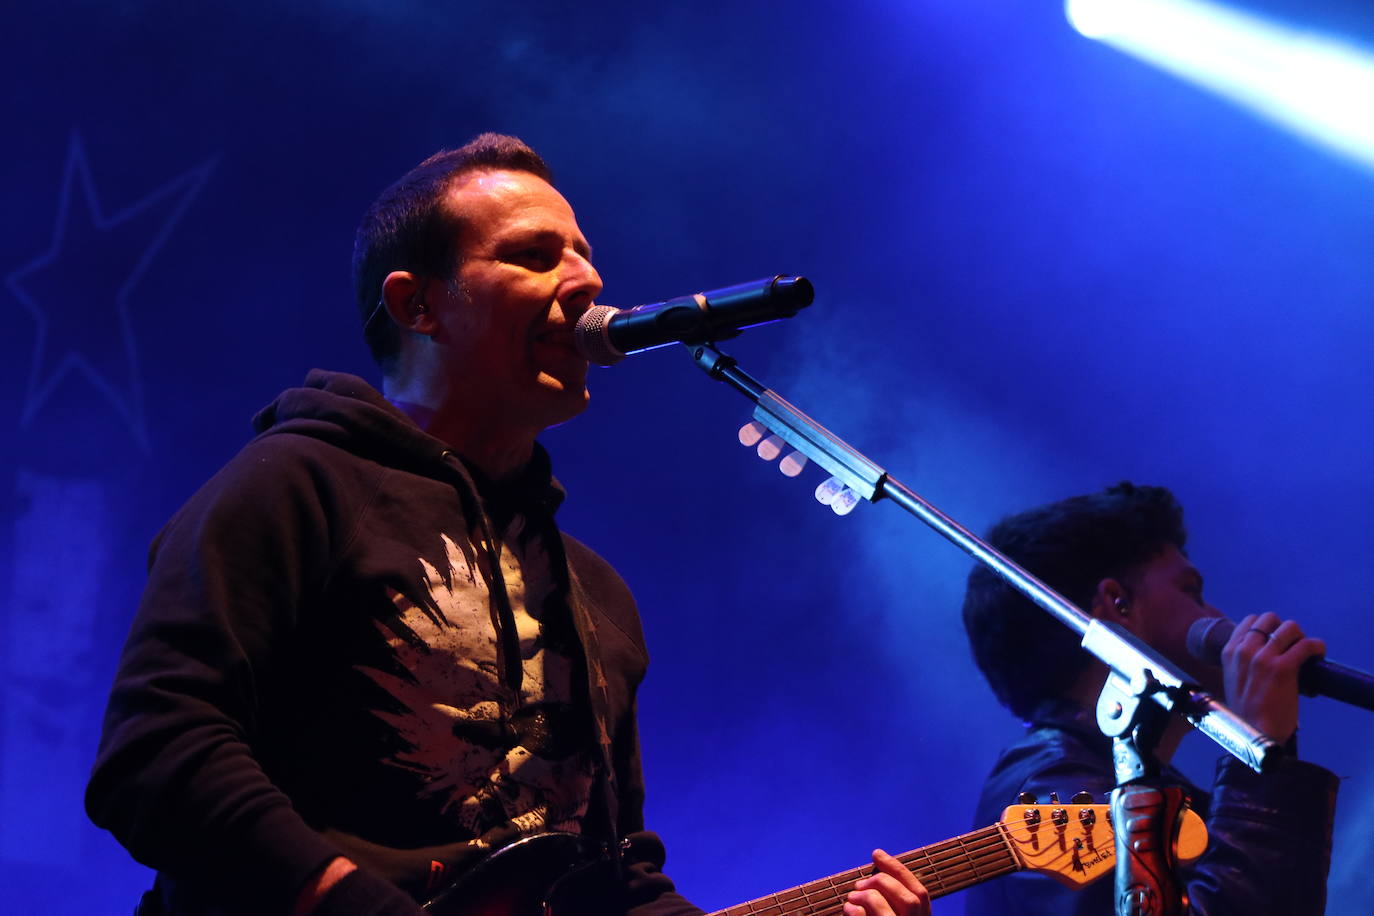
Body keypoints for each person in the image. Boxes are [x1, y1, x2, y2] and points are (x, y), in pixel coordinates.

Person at [85, 134, 931, 916]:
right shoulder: (294, 486)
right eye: (534, 256)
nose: (588, 281)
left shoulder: (594, 597)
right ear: (417, 306)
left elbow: (616, 877)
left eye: (585, 256)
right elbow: (159, 756)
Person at [959, 482, 1339, 915]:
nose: (1217, 617)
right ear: (1117, 604)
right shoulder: (1050, 787)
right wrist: (1262, 761)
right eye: (1191, 591)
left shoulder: (1099, 772)